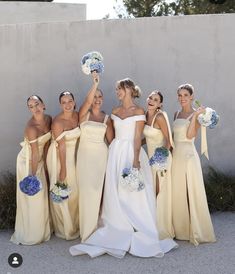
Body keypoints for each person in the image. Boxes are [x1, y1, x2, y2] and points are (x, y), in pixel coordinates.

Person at [70, 78, 178, 258]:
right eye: (116, 90)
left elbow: (137, 138)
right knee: (115, 189)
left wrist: (135, 160)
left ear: (128, 89)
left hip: (130, 152)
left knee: (134, 192)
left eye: (119, 89)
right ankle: (116, 222)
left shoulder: (139, 111)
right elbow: (110, 136)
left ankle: (138, 224)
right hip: (115, 152)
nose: (117, 92)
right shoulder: (114, 111)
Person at [171, 83, 216, 245]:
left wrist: (196, 116)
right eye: (180, 95)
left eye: (185, 95)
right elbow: (172, 137)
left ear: (192, 97)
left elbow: (190, 136)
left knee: (190, 191)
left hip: (188, 155)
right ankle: (181, 229)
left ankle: (194, 229)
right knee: (178, 192)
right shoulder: (175, 114)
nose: (182, 98)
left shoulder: (196, 115)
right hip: (176, 156)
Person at [77, 71, 114, 242]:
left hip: (101, 157)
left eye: (100, 97)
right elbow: (87, 101)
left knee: (98, 191)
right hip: (84, 158)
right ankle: (86, 228)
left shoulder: (107, 118)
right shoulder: (84, 114)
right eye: (95, 96)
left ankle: (98, 226)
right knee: (86, 191)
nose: (97, 99)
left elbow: (111, 142)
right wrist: (95, 84)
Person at [11, 95, 51, 245]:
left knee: (42, 198)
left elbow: (47, 144)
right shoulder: (31, 128)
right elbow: (34, 154)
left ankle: (42, 230)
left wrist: (47, 165)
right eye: (31, 106)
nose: (35, 108)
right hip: (28, 163)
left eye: (37, 104)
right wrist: (32, 177)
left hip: (39, 159)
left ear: (43, 104)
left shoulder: (48, 119)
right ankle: (31, 233)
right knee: (33, 197)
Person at [47, 91, 80, 240]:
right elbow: (61, 146)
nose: (67, 105)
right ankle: (64, 227)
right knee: (64, 185)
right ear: (60, 104)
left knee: (75, 190)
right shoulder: (57, 122)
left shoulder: (77, 115)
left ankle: (76, 223)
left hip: (73, 155)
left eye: (70, 101)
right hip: (60, 157)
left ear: (74, 102)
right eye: (64, 102)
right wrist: (63, 170)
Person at [143, 91, 174, 239]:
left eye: (155, 100)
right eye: (150, 98)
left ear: (160, 104)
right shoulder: (145, 115)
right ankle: (152, 224)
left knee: (158, 192)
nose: (151, 101)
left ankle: (162, 227)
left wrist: (161, 158)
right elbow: (147, 136)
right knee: (151, 192)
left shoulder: (160, 117)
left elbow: (169, 140)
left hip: (161, 159)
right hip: (150, 159)